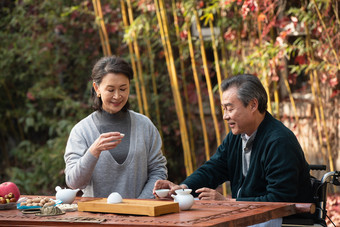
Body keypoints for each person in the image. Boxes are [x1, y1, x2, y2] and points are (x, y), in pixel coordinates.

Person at [153, 74, 313, 225]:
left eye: (230, 109)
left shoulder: (279, 141)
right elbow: (212, 170)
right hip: (246, 216)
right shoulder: (236, 137)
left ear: (253, 105)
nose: (225, 116)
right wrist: (182, 189)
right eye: (223, 109)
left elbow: (280, 199)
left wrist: (228, 203)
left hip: (282, 220)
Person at [64, 56, 167, 199]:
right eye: (111, 90)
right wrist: (94, 150)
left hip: (141, 217)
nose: (117, 96)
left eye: (123, 89)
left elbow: (158, 170)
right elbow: (73, 182)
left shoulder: (145, 125)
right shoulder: (82, 131)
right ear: (97, 88)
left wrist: (139, 206)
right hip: (97, 217)